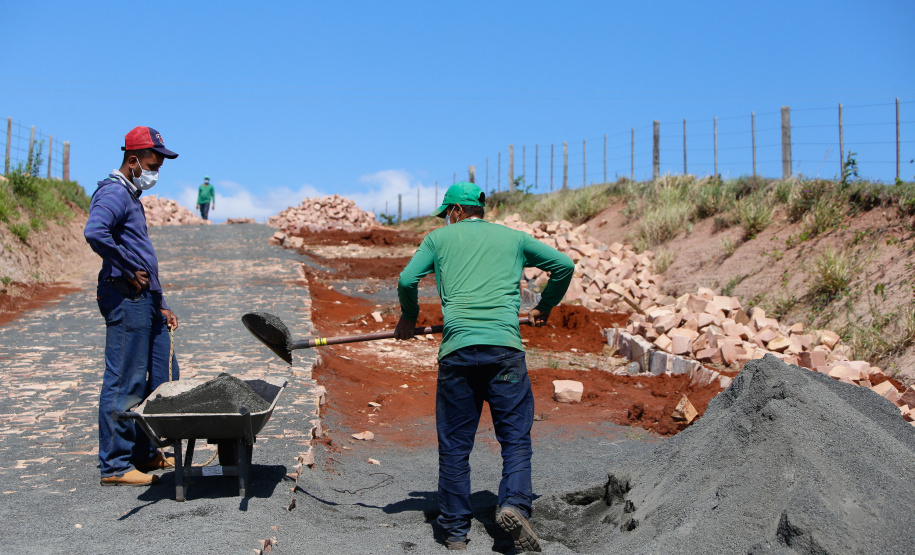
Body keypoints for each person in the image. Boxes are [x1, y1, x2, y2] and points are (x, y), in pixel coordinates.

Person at [395, 182, 573, 552]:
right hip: (504, 352)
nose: (446, 219)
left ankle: (456, 532)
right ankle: (514, 505)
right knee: (515, 440)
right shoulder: (514, 239)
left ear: (458, 210)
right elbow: (564, 265)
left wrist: (409, 318)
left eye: (447, 213)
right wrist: (544, 306)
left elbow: (407, 279)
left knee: (455, 444)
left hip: (458, 354)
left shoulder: (437, 241)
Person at [84, 126, 180, 487]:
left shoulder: (132, 197)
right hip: (125, 297)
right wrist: (125, 267)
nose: (156, 172)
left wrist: (161, 301)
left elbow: (145, 259)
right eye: (153, 164)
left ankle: (145, 452)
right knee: (126, 379)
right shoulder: (113, 192)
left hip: (147, 301)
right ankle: (116, 464)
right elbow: (95, 232)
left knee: (163, 376)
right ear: (133, 160)